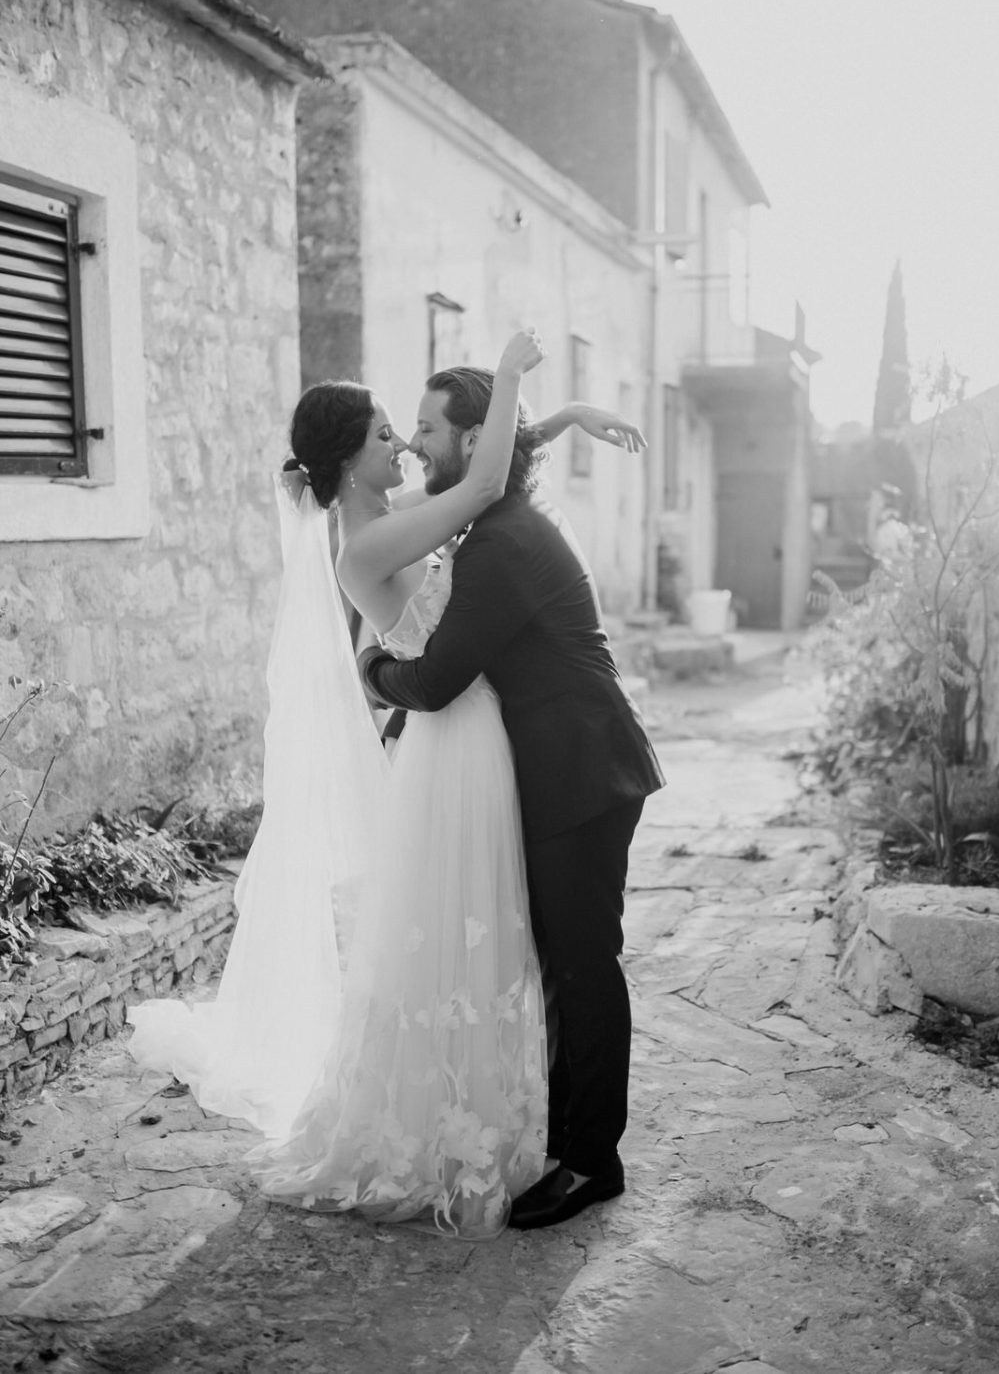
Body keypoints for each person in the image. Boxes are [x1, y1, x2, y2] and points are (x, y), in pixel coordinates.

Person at [130, 331, 645, 1238]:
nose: (405, 445)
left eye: (414, 430)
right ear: (348, 459)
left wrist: (557, 417)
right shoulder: (375, 535)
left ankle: (562, 1141)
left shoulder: (396, 509)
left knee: (543, 951)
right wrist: (521, 376)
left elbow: (482, 464)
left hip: (515, 750)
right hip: (458, 743)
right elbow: (481, 482)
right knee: (491, 945)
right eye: (388, 433)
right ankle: (485, 1124)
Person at [359, 363, 665, 1231]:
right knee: (566, 968)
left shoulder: (500, 544)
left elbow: (440, 678)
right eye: (410, 430)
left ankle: (590, 1162)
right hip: (571, 768)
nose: (416, 444)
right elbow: (515, 443)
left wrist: (374, 673)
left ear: (468, 441)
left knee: (584, 967)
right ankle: (570, 1138)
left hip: (584, 772)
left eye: (427, 429)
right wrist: (568, 411)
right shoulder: (495, 518)